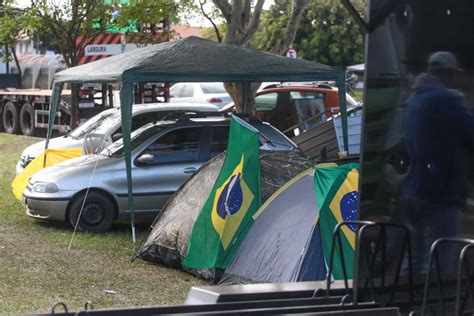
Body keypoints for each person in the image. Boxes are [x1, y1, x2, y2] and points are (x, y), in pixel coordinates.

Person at [400, 51, 474, 275]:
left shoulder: (415, 98)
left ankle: (404, 305)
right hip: (440, 191)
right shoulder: (446, 100)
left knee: (413, 261)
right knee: (438, 265)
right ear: (449, 74)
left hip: (414, 187)